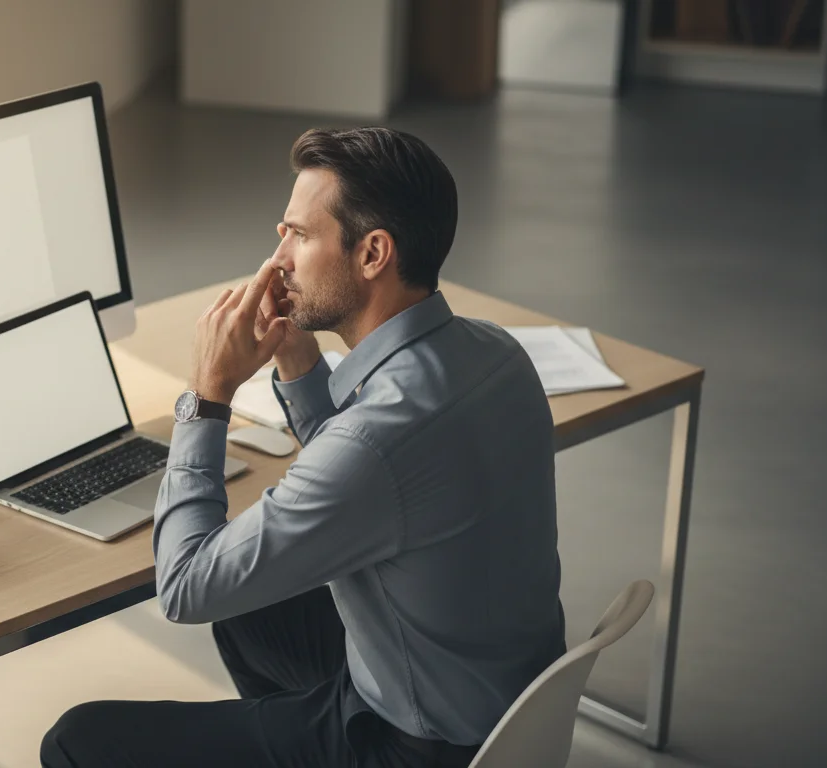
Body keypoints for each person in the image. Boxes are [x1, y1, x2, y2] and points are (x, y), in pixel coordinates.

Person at [41, 127, 565, 767]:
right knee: (249, 608)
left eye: (299, 234)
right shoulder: (497, 353)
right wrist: (295, 358)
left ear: (373, 253)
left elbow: (183, 586)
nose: (278, 256)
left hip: (414, 747)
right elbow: (374, 484)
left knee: (76, 742)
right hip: (496, 703)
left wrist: (208, 394)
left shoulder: (373, 442)